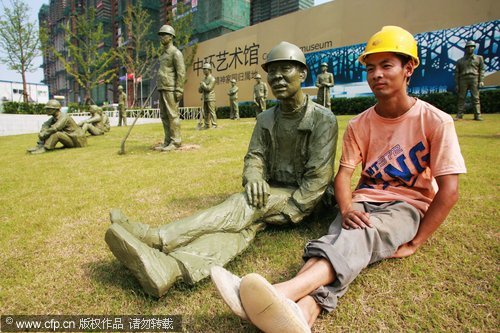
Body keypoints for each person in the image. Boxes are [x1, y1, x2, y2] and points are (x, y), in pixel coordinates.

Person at [211, 26, 467, 333]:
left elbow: (449, 191)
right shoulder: (360, 124)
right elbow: (343, 176)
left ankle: (281, 292)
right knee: (339, 239)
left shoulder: (436, 121)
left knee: (358, 237)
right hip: (362, 199)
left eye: (387, 66)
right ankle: (304, 314)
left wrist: (418, 240)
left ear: (409, 68)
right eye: (371, 68)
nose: (377, 75)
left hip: (407, 206)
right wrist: (346, 209)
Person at [104, 41, 338, 298]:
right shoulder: (265, 118)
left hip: (305, 200)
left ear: (303, 74)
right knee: (241, 231)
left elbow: (319, 178)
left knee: (244, 205)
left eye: (286, 70)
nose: (278, 77)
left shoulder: (322, 119)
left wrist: (291, 210)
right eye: (273, 71)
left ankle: (156, 237)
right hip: (272, 191)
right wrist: (253, 178)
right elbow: (254, 157)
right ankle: (172, 269)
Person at [154, 24, 185, 151]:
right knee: (164, 115)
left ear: (171, 37)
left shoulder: (176, 53)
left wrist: (179, 89)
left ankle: (176, 141)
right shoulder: (162, 54)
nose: (161, 37)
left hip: (171, 88)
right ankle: (168, 140)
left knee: (172, 115)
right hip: (162, 87)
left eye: (164, 35)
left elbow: (181, 72)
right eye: (160, 35)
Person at [454, 40, 485, 121]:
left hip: (474, 78)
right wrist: (457, 84)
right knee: (461, 98)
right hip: (463, 79)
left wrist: (481, 80)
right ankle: (459, 114)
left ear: (474, 48)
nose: (470, 48)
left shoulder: (479, 58)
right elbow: (456, 74)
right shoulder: (460, 61)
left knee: (475, 98)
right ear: (466, 49)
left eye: (472, 47)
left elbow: (482, 70)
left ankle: (477, 115)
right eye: (468, 47)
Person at [198, 62, 217, 129]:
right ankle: (206, 125)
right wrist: (201, 86)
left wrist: (203, 85)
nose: (203, 71)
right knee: (206, 112)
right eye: (203, 69)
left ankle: (214, 124)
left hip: (211, 97)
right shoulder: (204, 79)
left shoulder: (212, 79)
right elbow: (199, 91)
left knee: (212, 111)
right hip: (205, 98)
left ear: (209, 70)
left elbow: (209, 88)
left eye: (205, 69)